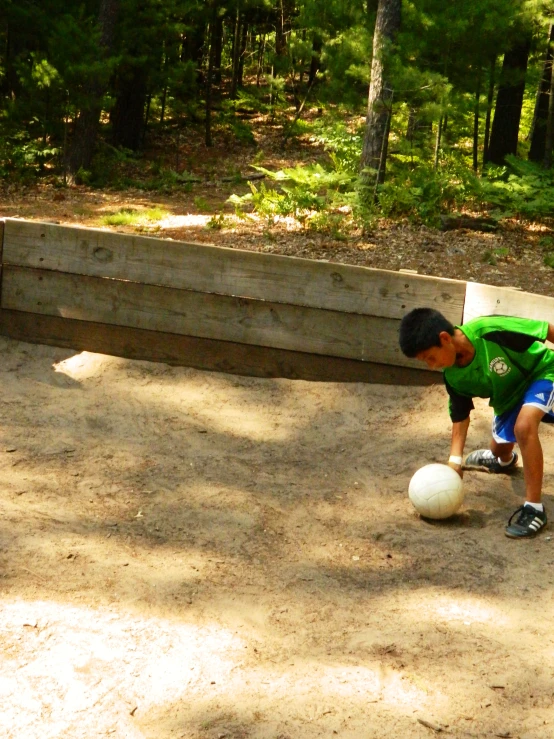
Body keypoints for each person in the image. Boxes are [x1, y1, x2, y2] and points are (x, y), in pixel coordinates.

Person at [399, 308, 554, 538]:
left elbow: (546, 329)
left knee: (524, 427)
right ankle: (503, 460)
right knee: (499, 448)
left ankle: (534, 509)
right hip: (508, 399)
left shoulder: (489, 331)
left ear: (444, 338)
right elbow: (460, 416)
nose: (431, 366)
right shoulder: (453, 376)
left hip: (542, 371)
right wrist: (455, 461)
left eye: (430, 357)